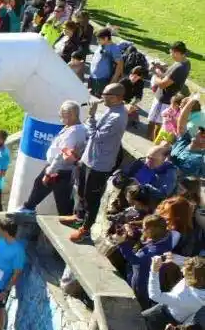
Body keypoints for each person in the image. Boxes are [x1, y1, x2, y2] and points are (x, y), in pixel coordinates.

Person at [61, 84, 128, 242]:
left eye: (105, 94)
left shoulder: (118, 118)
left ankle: (85, 229)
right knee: (82, 191)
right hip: (89, 159)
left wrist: (91, 116)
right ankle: (78, 216)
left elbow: (95, 136)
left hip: (100, 165)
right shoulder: (111, 110)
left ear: (115, 97)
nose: (101, 97)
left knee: (92, 198)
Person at [18, 101, 87, 216]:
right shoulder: (74, 128)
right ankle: (29, 207)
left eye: (63, 115)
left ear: (73, 114)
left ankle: (30, 208)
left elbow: (62, 154)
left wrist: (49, 172)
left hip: (59, 169)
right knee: (44, 188)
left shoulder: (73, 132)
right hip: (61, 169)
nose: (61, 118)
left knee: (61, 199)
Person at [146, 256, 205, 330]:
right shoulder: (200, 282)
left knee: (141, 328)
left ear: (191, 276)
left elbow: (154, 295)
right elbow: (195, 266)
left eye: (184, 269)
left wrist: (154, 271)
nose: (181, 269)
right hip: (176, 319)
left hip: (162, 318)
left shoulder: (182, 296)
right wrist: (171, 257)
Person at [149, 42, 192, 141]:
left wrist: (155, 74)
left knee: (156, 123)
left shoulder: (179, 67)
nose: (170, 55)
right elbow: (171, 75)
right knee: (160, 123)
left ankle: (152, 143)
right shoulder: (185, 62)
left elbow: (163, 84)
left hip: (163, 99)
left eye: (171, 52)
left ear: (177, 53)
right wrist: (162, 69)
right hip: (169, 98)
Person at [88, 28, 124, 98]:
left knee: (98, 99)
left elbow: (120, 63)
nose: (97, 41)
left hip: (102, 79)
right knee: (91, 98)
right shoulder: (102, 45)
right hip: (93, 77)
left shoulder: (114, 48)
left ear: (106, 38)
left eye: (99, 39)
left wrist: (114, 78)